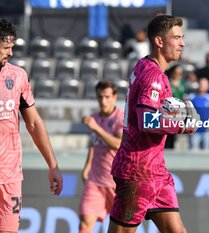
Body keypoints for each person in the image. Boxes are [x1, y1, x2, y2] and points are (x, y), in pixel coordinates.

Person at [108, 15, 198, 233]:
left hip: (156, 172)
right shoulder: (154, 76)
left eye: (182, 37)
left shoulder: (145, 65)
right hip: (138, 171)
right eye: (176, 37)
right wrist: (184, 124)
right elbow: (147, 120)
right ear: (159, 41)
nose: (182, 43)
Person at [0, 19, 63, 232]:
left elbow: (34, 123)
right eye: (5, 47)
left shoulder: (17, 76)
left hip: (10, 174)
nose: (10, 52)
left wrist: (53, 165)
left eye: (12, 46)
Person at [78, 80, 123, 233]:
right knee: (85, 223)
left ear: (115, 97)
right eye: (100, 97)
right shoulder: (94, 118)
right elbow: (93, 144)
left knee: (120, 229)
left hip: (116, 183)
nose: (103, 101)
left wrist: (96, 128)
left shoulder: (120, 118)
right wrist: (86, 168)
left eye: (107, 97)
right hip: (95, 181)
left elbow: (118, 145)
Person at [187, 78, 209, 150]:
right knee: (193, 151)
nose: (202, 86)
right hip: (194, 130)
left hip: (205, 130)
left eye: (204, 84)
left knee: (206, 152)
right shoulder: (191, 97)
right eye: (200, 84)